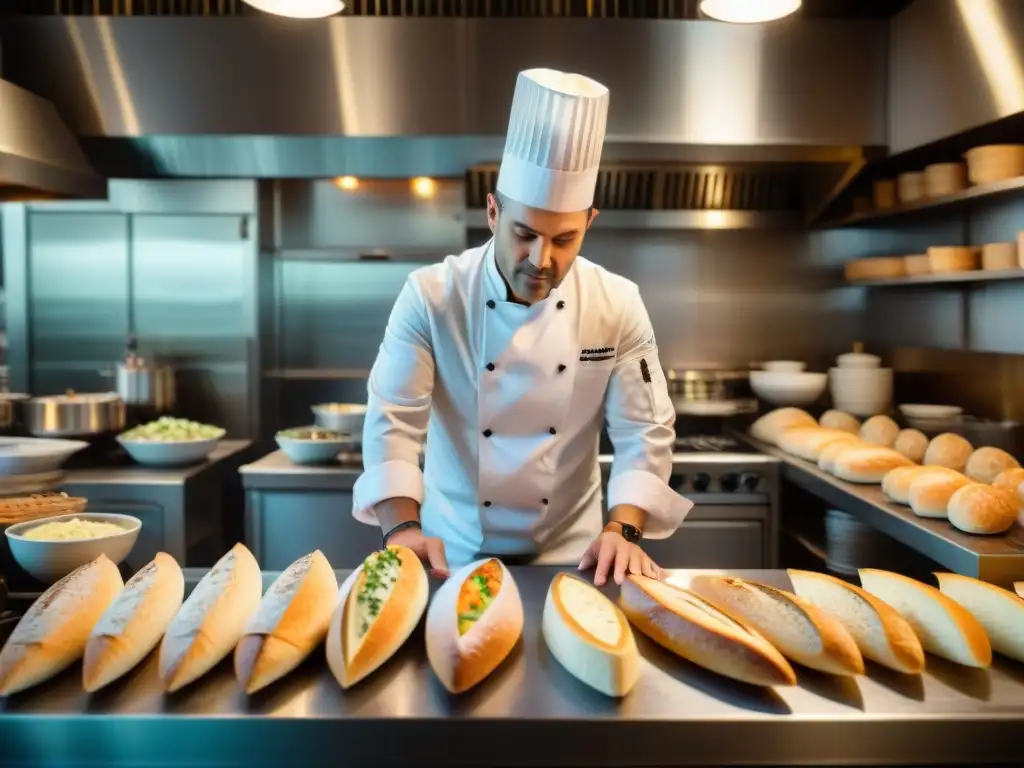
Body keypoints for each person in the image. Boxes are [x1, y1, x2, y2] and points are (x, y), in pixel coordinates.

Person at [352, 68, 693, 586]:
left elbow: (644, 429)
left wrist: (623, 530)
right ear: (493, 211)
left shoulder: (617, 302)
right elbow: (393, 420)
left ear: (589, 224)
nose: (542, 259)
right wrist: (401, 528)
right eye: (525, 234)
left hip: (578, 556)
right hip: (452, 552)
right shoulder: (432, 296)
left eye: (565, 239)